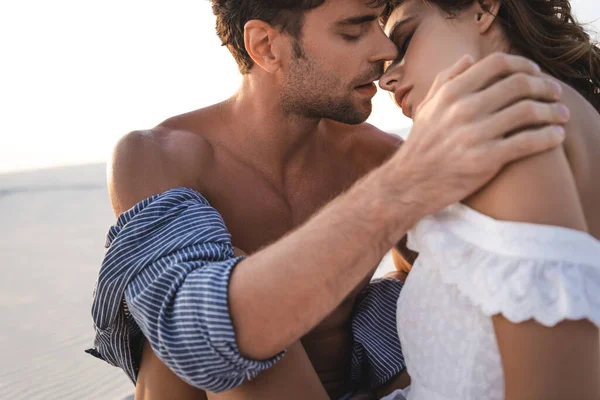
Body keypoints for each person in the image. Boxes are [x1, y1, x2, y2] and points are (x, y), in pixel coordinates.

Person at [87, 0, 569, 399]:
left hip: (366, 386)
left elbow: (462, 280)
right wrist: (401, 188)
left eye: (380, 23)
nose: (384, 50)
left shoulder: (381, 157)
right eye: (354, 30)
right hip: (219, 384)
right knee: (197, 310)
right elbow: (199, 339)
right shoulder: (160, 158)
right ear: (265, 46)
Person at [378, 0, 600, 399]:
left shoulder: (508, 115)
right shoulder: (553, 110)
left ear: (483, 10)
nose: (386, 80)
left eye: (405, 41)